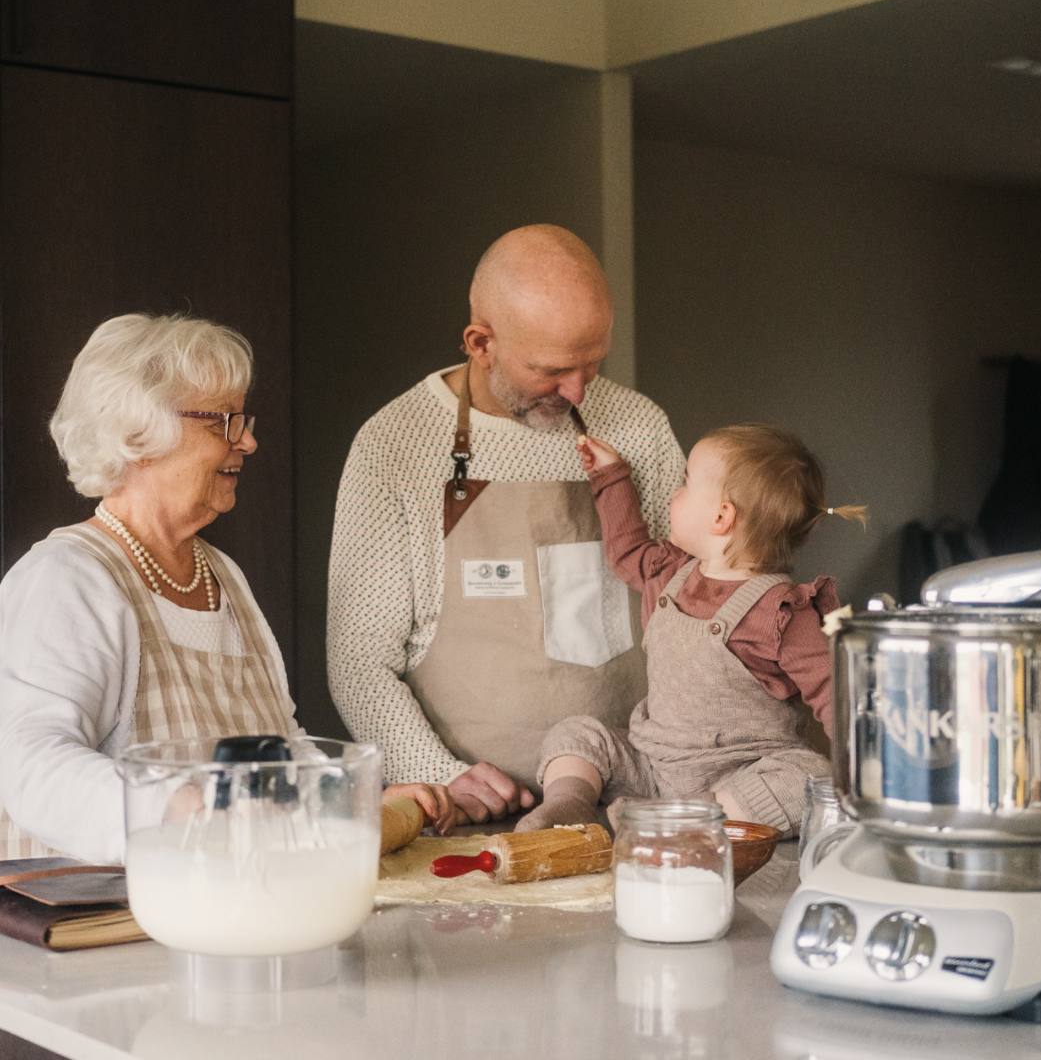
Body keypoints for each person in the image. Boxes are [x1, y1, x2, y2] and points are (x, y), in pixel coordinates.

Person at [0, 313, 452, 864]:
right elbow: (29, 763)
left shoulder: (221, 575)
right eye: (224, 423)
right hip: (96, 927)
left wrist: (351, 800)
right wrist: (191, 808)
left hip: (217, 911)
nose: (250, 441)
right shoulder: (68, 578)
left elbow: (276, 750)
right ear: (137, 435)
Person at [328, 225, 686, 825]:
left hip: (635, 803)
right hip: (472, 817)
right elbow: (359, 662)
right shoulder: (394, 445)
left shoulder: (639, 427)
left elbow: (690, 608)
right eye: (552, 369)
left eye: (593, 365)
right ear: (480, 342)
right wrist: (443, 776)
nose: (576, 390)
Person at [517, 424, 867, 838]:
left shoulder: (783, 613)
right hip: (651, 766)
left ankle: (675, 819)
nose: (673, 494)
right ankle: (568, 806)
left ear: (721, 517)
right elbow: (628, 550)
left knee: (807, 777)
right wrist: (611, 477)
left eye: (685, 483)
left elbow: (839, 698)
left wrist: (869, 775)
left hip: (739, 779)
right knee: (578, 733)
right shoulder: (670, 574)